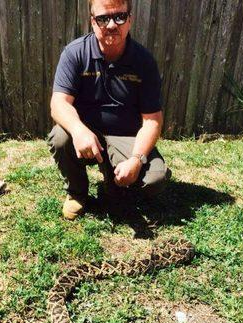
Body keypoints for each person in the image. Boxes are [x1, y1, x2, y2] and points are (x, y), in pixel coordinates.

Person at [48, 0, 171, 220]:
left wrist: (136, 159)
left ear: (130, 20)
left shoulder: (144, 62)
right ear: (92, 22)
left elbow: (153, 120)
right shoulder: (75, 53)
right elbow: (58, 103)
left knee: (155, 180)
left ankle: (113, 181)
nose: (112, 25)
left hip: (126, 135)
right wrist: (78, 130)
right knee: (60, 137)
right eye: (103, 18)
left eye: (120, 17)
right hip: (87, 135)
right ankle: (77, 192)